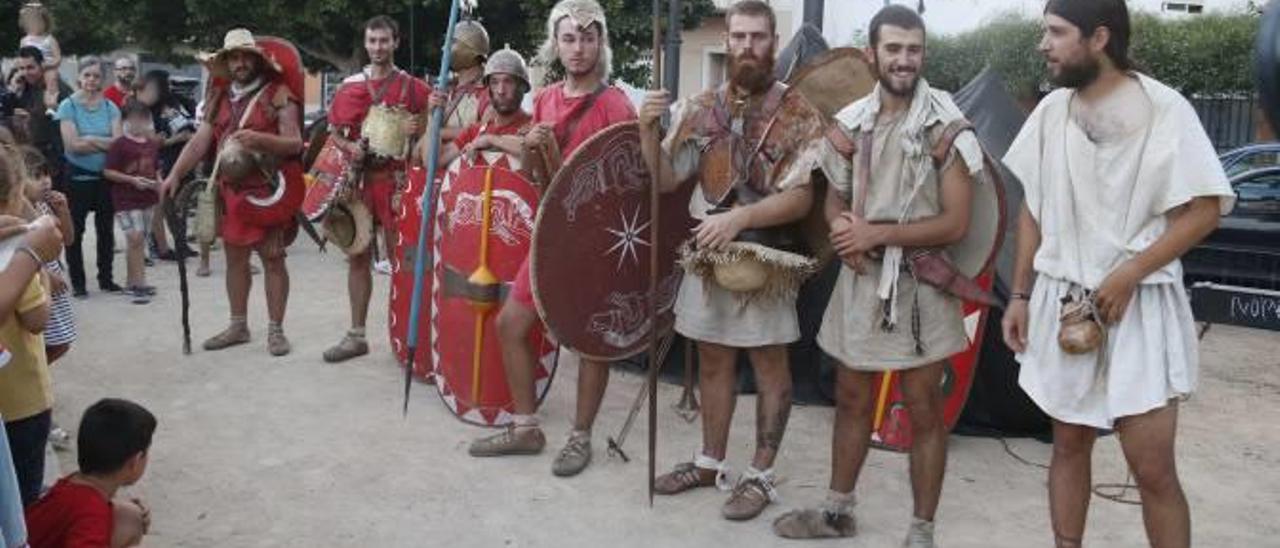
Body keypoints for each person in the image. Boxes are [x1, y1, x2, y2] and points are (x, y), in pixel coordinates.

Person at [1000, 2, 1233, 547]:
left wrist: (1131, 271)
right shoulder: (1050, 112)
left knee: (1152, 471)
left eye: (1056, 33)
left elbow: (1204, 209)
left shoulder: (1165, 109)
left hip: (1140, 304)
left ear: (1099, 37)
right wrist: (1018, 294)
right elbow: (1032, 210)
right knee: (1068, 447)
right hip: (1063, 302)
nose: (1044, 44)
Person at [771, 6, 987, 545]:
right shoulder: (853, 121)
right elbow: (835, 195)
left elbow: (956, 223)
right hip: (863, 280)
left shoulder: (946, 125)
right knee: (850, 397)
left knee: (923, 408)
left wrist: (876, 235)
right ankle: (839, 512)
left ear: (923, 55)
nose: (904, 60)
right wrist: (842, 226)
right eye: (893, 49)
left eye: (913, 50)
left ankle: (921, 529)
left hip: (922, 289)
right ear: (872, 54)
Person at [637, 0, 826, 522]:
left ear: (772, 41)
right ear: (728, 39)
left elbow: (802, 198)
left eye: (758, 37)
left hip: (768, 255)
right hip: (708, 255)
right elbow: (668, 180)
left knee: (769, 363)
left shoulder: (797, 112)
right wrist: (645, 130)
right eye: (739, 37)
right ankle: (709, 462)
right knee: (714, 358)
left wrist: (741, 219)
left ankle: (760, 475)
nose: (747, 46)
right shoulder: (700, 107)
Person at [467, 0, 636, 479]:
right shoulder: (543, 98)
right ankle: (526, 427)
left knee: (590, 341)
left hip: (595, 240)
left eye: (587, 38)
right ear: (555, 44)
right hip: (549, 234)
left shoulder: (615, 104)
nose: (578, 48)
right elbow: (535, 163)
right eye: (568, 38)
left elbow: (625, 183)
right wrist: (509, 143)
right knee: (510, 324)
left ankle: (580, 436)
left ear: (600, 42)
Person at [161, 29, 304, 357]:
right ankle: (238, 325)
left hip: (268, 190)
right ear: (226, 62)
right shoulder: (220, 97)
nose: (240, 63)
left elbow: (294, 142)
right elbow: (200, 141)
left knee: (272, 258)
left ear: (256, 59)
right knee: (235, 259)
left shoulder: (278, 93)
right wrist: (174, 174)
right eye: (233, 57)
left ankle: (276, 331)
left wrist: (261, 140)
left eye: (245, 56)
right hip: (232, 191)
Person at [321, 15, 429, 364]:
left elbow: (431, 128)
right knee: (358, 257)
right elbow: (334, 132)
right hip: (361, 182)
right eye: (373, 41)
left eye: (385, 40)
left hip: (397, 182)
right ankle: (356, 336)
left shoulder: (413, 88)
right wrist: (348, 148)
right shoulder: (351, 86)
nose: (378, 47)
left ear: (396, 42)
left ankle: (407, 338)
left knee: (405, 261)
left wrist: (420, 125)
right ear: (366, 44)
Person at [0, 145, 56, 508]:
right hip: (21, 403)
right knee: (21, 502)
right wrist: (37, 265)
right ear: (16, 194)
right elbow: (37, 320)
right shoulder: (13, 252)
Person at [25, 398, 156, 548]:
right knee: (130, 521)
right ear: (135, 461)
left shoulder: (72, 484)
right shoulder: (92, 515)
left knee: (130, 518)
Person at [56, 57, 123, 299]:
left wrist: (90, 139)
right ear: (79, 78)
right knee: (76, 231)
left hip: (105, 176)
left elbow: (118, 145)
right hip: (77, 177)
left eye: (96, 76)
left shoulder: (110, 107)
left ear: (102, 80)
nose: (91, 80)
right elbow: (72, 146)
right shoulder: (67, 106)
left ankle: (106, 279)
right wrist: (101, 141)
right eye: (87, 75)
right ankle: (78, 283)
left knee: (106, 230)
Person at [103, 100, 162, 304]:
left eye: (143, 118)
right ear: (125, 121)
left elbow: (156, 169)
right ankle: (139, 283)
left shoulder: (151, 144)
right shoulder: (119, 145)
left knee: (138, 241)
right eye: (133, 118)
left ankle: (133, 282)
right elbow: (108, 171)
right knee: (135, 238)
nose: (139, 123)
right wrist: (131, 180)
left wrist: (159, 186)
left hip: (148, 197)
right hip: (125, 198)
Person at [435, 47, 533, 169]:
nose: (501, 90)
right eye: (494, 82)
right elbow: (435, 161)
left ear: (522, 87)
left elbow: (535, 152)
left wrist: (491, 140)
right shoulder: (475, 131)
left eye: (508, 82)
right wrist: (431, 116)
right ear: (489, 88)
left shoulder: (533, 125)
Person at [137, 70, 197, 263]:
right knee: (160, 204)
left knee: (179, 205)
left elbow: (192, 127)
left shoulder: (177, 103)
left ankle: (181, 243)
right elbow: (151, 141)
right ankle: (158, 246)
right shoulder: (143, 111)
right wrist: (176, 139)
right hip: (162, 160)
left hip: (183, 158)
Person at [12, 46, 72, 178]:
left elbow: (66, 123)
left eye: (30, 67)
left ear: (41, 65)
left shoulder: (57, 88)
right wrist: (14, 93)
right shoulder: (23, 87)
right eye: (21, 68)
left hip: (54, 159)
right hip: (30, 156)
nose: (26, 72)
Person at [17, 2, 62, 113]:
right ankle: (17, 98)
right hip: (29, 66)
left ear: (45, 22)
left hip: (47, 67)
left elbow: (58, 58)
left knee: (51, 78)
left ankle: (51, 103)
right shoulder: (24, 40)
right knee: (17, 76)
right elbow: (22, 56)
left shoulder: (49, 39)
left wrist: (48, 65)